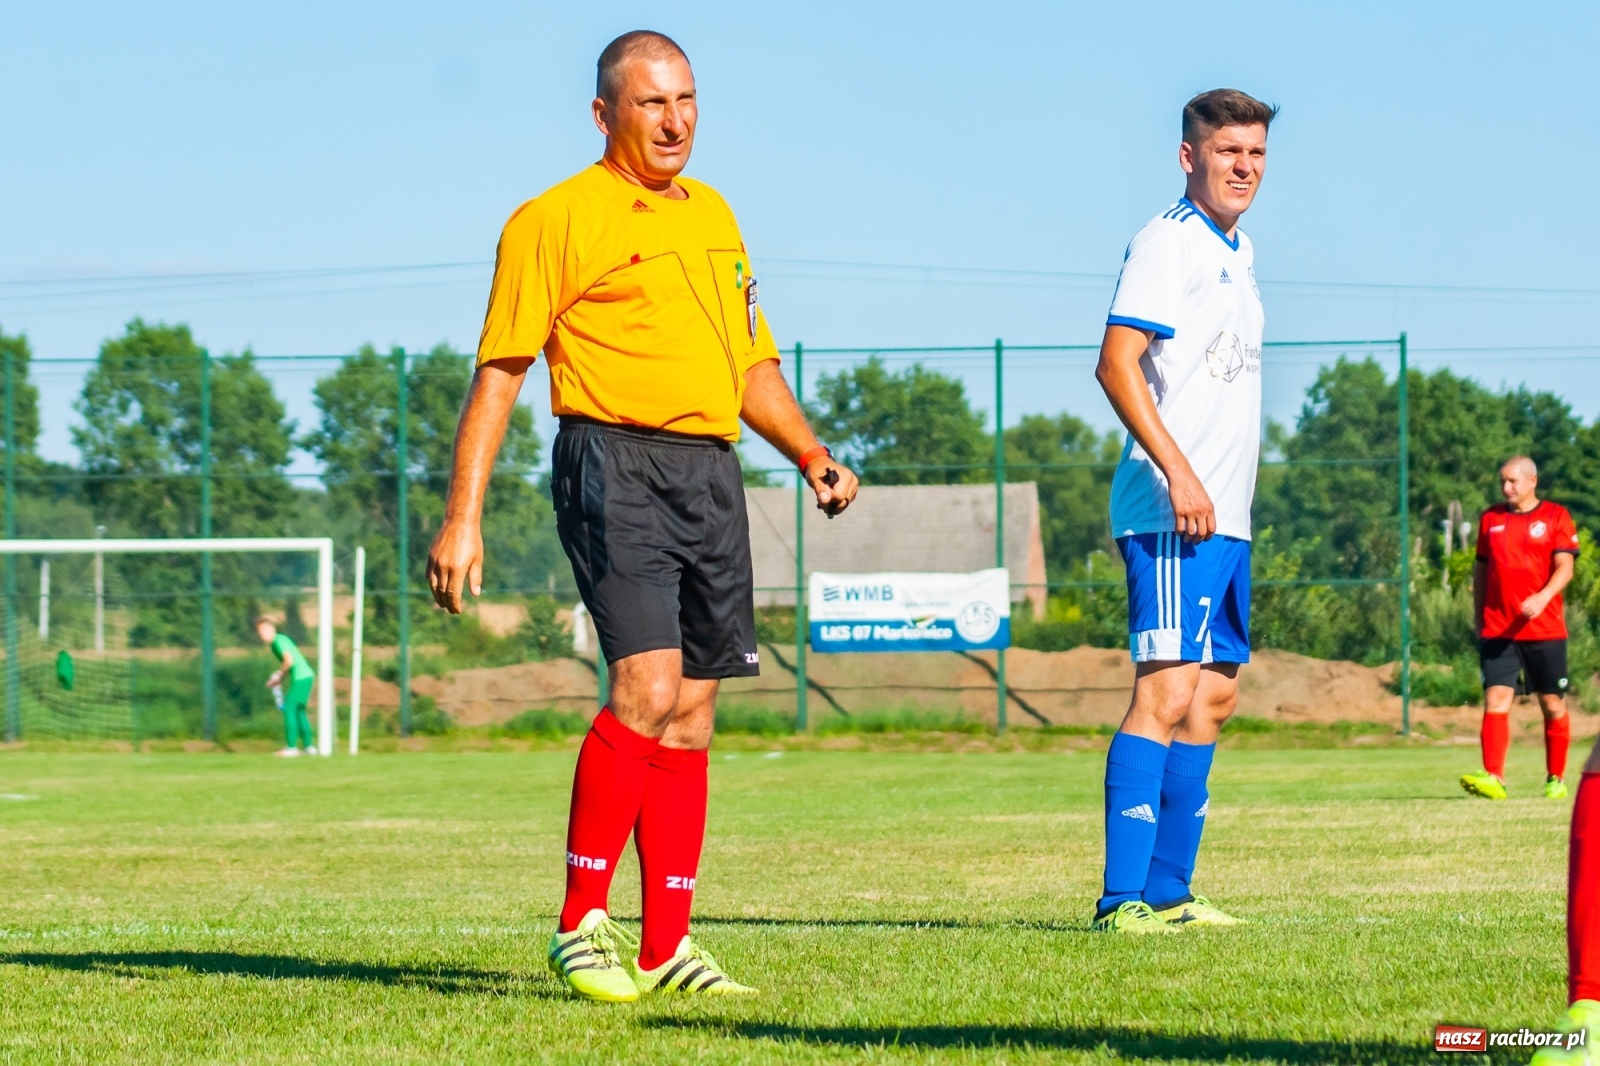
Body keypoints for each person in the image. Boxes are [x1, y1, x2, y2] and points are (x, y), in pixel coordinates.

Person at [425, 30, 858, 1003]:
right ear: (603, 115)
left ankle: (667, 945)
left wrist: (811, 452)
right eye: (652, 103)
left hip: (710, 471)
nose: (675, 121)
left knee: (695, 713)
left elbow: (749, 365)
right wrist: (464, 518)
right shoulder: (552, 219)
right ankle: (582, 921)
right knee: (647, 686)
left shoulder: (715, 215)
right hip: (611, 460)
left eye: (688, 101)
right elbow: (500, 371)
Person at [1089, 88, 1274, 934]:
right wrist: (1180, 474)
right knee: (1163, 693)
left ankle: (1170, 893)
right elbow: (1117, 363)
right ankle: (1120, 900)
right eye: (1227, 150)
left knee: (1212, 699)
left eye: (1256, 154)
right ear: (1188, 155)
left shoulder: (1237, 248)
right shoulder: (1169, 240)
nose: (1243, 167)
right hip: (1173, 512)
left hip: (1224, 520)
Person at [1460, 456, 1580, 801]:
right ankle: (1494, 778)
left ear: (1532, 482)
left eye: (1513, 481)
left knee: (1553, 704)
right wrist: (1479, 616)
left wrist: (1543, 598)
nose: (1506, 488)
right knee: (1496, 697)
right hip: (1499, 630)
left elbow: (1565, 568)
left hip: (1545, 630)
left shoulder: (1555, 516)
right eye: (1503, 481)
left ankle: (1555, 778)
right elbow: (1481, 572)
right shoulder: (1491, 519)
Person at [256, 617, 315, 757]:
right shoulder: (279, 640)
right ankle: (309, 748)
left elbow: (289, 661)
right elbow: (289, 663)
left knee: (289, 709)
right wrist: (279, 679)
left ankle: (291, 748)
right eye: (259, 631)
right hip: (306, 676)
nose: (261, 634)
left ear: (272, 629)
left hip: (301, 678)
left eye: (264, 629)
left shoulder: (277, 641)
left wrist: (278, 676)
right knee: (299, 711)